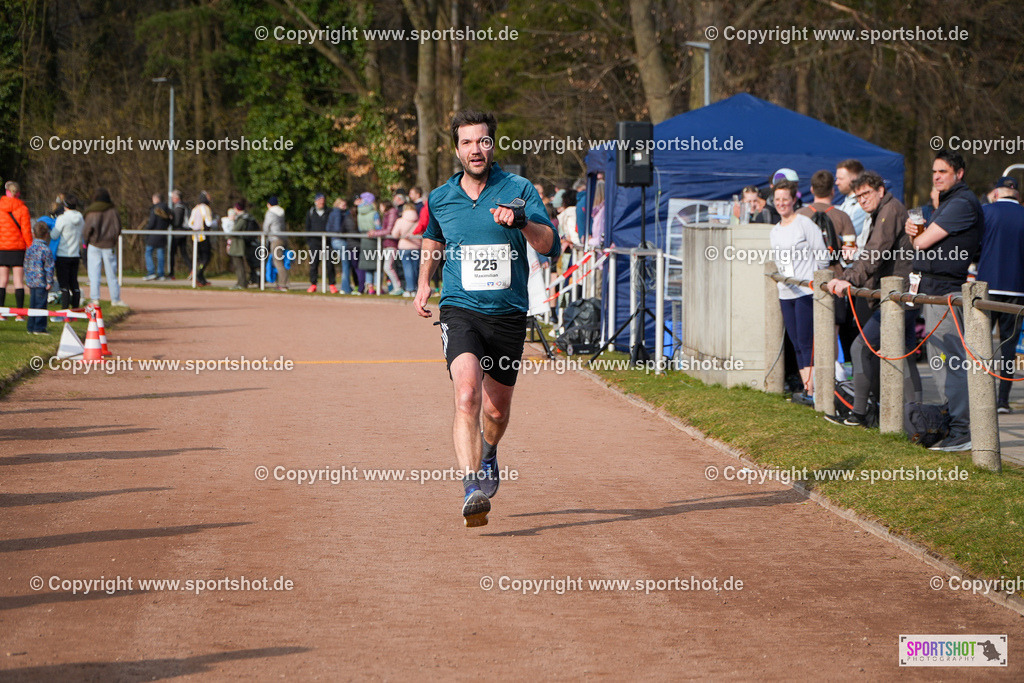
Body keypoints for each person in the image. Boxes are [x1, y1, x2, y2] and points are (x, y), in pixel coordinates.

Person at [415, 109, 561, 527]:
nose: (475, 149)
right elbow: (433, 237)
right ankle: (471, 486)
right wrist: (425, 281)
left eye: (482, 141)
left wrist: (521, 221)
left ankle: (490, 453)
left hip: (508, 314)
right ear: (457, 148)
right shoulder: (441, 197)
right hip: (460, 309)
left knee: (496, 412)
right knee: (466, 395)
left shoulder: (518, 189)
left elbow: (550, 244)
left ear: (492, 144)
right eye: (466, 142)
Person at [824, 171, 919, 426]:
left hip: (897, 297)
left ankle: (861, 415)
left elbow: (875, 253)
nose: (863, 200)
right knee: (906, 354)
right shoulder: (882, 211)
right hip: (900, 295)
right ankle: (915, 418)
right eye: (858, 197)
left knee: (861, 347)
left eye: (866, 193)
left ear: (880, 190)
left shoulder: (890, 210)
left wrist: (849, 278)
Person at [904, 149, 984, 451]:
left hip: (945, 293)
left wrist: (916, 235)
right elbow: (918, 242)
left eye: (943, 172)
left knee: (950, 364)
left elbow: (922, 242)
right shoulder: (949, 202)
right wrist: (915, 233)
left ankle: (963, 430)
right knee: (941, 364)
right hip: (934, 291)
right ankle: (954, 423)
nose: (936, 177)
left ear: (959, 173)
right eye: (934, 172)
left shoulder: (961, 202)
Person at [770, 179, 829, 405]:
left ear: (794, 200)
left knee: (806, 341)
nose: (782, 204)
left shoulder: (805, 224)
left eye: (786, 199)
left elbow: (822, 256)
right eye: (778, 200)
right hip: (785, 292)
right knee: (795, 342)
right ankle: (807, 389)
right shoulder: (775, 231)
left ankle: (813, 391)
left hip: (806, 292)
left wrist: (813, 280)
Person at [977, 176, 1024, 414]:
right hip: (1017, 288)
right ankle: (1003, 400)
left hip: (988, 285)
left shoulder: (986, 212)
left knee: (981, 343)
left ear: (997, 193)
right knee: (1008, 346)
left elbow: (974, 245)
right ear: (1017, 195)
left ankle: (980, 396)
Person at [82, 187, 124, 306]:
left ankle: (95, 298)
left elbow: (86, 230)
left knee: (94, 273)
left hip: (94, 245)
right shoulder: (113, 211)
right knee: (112, 274)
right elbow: (118, 228)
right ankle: (115, 299)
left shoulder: (91, 211)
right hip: (109, 245)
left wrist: (85, 242)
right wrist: (113, 240)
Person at [0, 180, 33, 316]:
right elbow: (26, 231)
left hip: (2, 247)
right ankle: (20, 313)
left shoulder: (0, 207)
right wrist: (30, 247)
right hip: (18, 248)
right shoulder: (23, 209)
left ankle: (1, 313)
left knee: (2, 281)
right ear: (18, 193)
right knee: (18, 282)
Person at [50, 193, 84, 308]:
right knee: (74, 283)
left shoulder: (62, 218)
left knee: (64, 285)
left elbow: (54, 235)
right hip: (75, 255)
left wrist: (50, 229)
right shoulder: (80, 217)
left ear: (65, 205)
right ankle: (75, 309)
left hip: (63, 255)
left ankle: (64, 311)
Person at [24, 221, 55, 334]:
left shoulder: (30, 248)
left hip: (32, 281)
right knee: (41, 305)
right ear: (47, 234)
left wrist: (27, 278)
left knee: (32, 304)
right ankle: (39, 327)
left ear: (33, 234)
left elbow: (26, 264)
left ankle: (31, 327)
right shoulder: (46, 250)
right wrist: (49, 281)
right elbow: (49, 267)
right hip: (42, 282)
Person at [370, 192, 404, 294]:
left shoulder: (392, 213)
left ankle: (398, 287)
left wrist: (375, 233)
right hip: (387, 243)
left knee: (387, 267)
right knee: (389, 267)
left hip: (391, 243)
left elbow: (388, 230)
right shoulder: (387, 214)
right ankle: (395, 287)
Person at [304, 192, 336, 293]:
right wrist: (309, 241)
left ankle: (332, 285)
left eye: (323, 200)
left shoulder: (329, 211)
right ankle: (313, 284)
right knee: (314, 264)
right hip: (314, 242)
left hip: (327, 242)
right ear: (315, 201)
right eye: (319, 200)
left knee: (329, 264)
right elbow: (307, 227)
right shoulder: (311, 212)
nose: (321, 202)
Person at [326, 197, 356, 294]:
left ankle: (346, 286)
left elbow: (328, 228)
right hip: (340, 241)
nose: (345, 206)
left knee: (345, 264)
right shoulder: (339, 213)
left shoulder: (332, 213)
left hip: (334, 241)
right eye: (343, 205)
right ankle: (345, 287)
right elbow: (338, 228)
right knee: (346, 264)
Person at [392, 198, 421, 298]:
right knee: (416, 269)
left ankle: (409, 289)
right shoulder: (419, 221)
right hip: (417, 247)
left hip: (404, 247)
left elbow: (394, 234)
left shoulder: (400, 221)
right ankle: (416, 288)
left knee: (407, 268)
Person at [835, 159, 868, 239]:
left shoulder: (862, 205)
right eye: (837, 178)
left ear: (854, 179)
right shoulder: (847, 202)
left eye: (841, 179)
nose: (837, 182)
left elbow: (849, 234)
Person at [188, 191, 215, 286]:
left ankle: (201, 278)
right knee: (206, 257)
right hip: (203, 236)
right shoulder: (206, 208)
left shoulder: (195, 208)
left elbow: (190, 223)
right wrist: (216, 222)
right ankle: (198, 275)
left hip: (195, 237)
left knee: (200, 258)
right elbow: (209, 223)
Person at [356, 192, 380, 294]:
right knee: (376, 265)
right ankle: (378, 286)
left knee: (367, 265)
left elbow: (359, 227)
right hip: (373, 240)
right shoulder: (374, 213)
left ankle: (370, 287)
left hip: (364, 238)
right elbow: (378, 227)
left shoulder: (359, 212)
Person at [263, 196, 289, 291]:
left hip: (275, 239)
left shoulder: (270, 213)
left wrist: (264, 235)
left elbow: (266, 226)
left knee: (278, 262)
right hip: (283, 239)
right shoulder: (281, 213)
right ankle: (282, 282)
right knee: (281, 261)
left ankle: (283, 284)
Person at [228, 201, 256, 289]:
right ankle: (240, 282)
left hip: (238, 244)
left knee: (239, 265)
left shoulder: (242, 218)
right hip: (237, 243)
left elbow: (235, 230)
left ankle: (242, 283)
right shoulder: (243, 217)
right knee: (237, 264)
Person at [144, 192, 172, 280]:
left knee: (148, 252)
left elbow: (152, 222)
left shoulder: (155, 209)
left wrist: (147, 230)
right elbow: (170, 221)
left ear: (156, 199)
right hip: (163, 234)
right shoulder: (167, 209)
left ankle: (151, 272)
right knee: (160, 255)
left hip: (154, 234)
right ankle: (161, 274)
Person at [168, 189, 190, 279]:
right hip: (181, 232)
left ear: (176, 198)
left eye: (173, 197)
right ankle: (192, 269)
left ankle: (171, 274)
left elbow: (177, 222)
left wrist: (169, 219)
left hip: (178, 233)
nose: (172, 199)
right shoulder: (183, 206)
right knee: (183, 252)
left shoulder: (179, 207)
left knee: (173, 253)